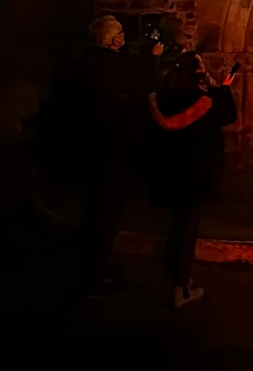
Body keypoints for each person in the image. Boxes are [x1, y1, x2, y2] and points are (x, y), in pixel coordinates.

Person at [147, 51, 238, 308]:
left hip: (167, 173)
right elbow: (228, 114)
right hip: (193, 175)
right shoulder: (203, 101)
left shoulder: (160, 99)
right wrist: (225, 88)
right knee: (186, 230)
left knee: (175, 227)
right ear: (197, 74)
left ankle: (172, 277)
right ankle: (181, 287)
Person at [80, 15, 147, 297]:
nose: (123, 36)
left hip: (95, 150)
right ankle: (95, 276)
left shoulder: (89, 65)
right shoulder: (112, 69)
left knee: (99, 212)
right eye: (120, 32)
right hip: (113, 152)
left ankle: (98, 268)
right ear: (114, 40)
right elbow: (139, 94)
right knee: (106, 215)